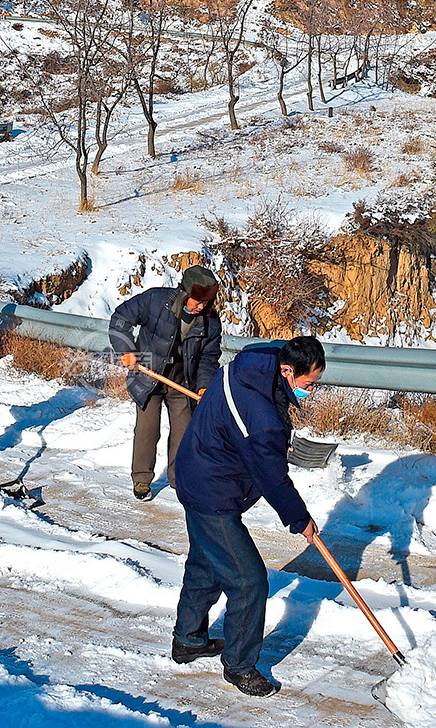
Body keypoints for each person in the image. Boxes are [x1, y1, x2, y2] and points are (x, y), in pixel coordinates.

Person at [170, 335, 326, 698]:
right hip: (212, 490)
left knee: (206, 563)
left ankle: (188, 639)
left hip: (195, 470)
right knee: (249, 581)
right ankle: (240, 666)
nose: (310, 391)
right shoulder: (263, 420)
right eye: (308, 384)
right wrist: (299, 518)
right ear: (287, 370)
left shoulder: (255, 361)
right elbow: (272, 476)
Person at [109, 265, 223, 501]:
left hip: (183, 380)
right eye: (196, 301)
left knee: (183, 433)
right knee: (147, 430)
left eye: (205, 303)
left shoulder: (211, 322)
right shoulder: (155, 300)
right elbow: (120, 319)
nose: (200, 307)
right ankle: (141, 480)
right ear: (184, 292)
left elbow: (208, 358)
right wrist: (127, 351)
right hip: (148, 374)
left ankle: (178, 478)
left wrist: (204, 385)